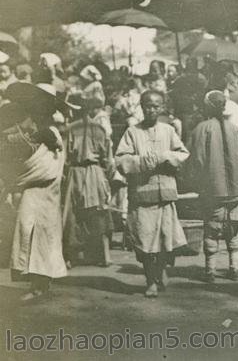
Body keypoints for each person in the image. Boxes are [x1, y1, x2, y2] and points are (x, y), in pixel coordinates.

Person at [115, 90, 189, 298]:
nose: (152, 109)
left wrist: (168, 157)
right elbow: (120, 159)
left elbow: (182, 153)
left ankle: (161, 269)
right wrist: (142, 162)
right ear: (141, 106)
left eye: (156, 106)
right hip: (142, 196)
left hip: (164, 193)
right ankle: (150, 281)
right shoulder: (132, 132)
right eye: (147, 105)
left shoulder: (168, 130)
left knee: (166, 239)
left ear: (163, 107)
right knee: (144, 240)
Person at [187, 90, 238, 282]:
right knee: (233, 232)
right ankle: (233, 268)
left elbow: (195, 162)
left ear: (207, 106)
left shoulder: (200, 130)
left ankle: (210, 271)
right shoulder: (235, 130)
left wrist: (196, 185)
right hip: (236, 193)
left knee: (211, 233)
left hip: (212, 193)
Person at [7, 83, 67, 300]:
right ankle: (37, 281)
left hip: (44, 187)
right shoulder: (30, 124)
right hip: (31, 188)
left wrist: (19, 178)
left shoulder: (50, 131)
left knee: (43, 232)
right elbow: (13, 141)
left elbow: (50, 164)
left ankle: (40, 284)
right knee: (27, 229)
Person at [64, 95, 115, 267]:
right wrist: (107, 176)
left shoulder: (70, 129)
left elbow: (65, 157)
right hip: (96, 171)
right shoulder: (100, 129)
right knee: (98, 212)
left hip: (76, 171)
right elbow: (108, 158)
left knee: (72, 214)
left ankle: (72, 256)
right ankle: (104, 255)